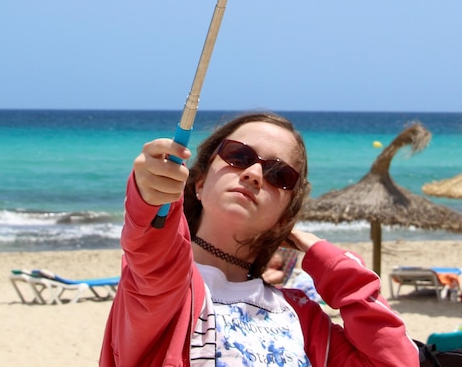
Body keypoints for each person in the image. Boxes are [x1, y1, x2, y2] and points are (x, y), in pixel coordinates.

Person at [100, 111, 418, 366]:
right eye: (238, 156)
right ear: (198, 183)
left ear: (285, 213)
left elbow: (395, 359)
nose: (254, 173)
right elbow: (151, 241)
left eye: (279, 175)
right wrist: (150, 192)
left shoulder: (302, 316)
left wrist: (326, 258)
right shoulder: (160, 286)